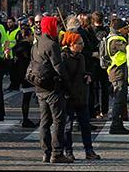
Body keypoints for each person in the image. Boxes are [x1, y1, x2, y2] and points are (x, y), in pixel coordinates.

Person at [29, 16, 73, 163]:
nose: (59, 29)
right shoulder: (51, 44)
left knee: (44, 121)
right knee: (59, 120)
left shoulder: (36, 43)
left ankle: (46, 152)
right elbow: (58, 67)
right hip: (53, 87)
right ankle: (57, 152)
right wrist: (68, 84)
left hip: (40, 86)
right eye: (57, 26)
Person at [61, 32, 100, 161]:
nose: (82, 46)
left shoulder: (81, 57)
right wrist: (68, 91)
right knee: (68, 126)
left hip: (81, 95)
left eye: (82, 43)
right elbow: (63, 77)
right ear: (71, 44)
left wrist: (88, 75)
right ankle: (68, 151)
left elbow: (85, 71)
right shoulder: (63, 57)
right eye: (79, 43)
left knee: (85, 125)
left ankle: (89, 150)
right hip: (68, 96)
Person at [107, 18, 129, 134]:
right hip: (117, 72)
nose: (127, 31)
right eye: (126, 29)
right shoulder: (116, 40)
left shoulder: (113, 37)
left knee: (120, 99)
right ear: (120, 29)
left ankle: (118, 123)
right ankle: (115, 124)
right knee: (118, 100)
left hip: (118, 72)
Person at [14, 26, 36, 128]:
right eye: (32, 35)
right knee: (32, 98)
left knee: (26, 98)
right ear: (27, 36)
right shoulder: (28, 47)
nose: (33, 37)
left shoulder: (17, 46)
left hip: (21, 74)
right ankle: (26, 120)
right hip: (29, 74)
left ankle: (25, 119)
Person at [6, 17, 21, 91]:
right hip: (8, 54)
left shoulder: (17, 31)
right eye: (8, 22)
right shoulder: (8, 31)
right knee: (11, 72)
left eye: (10, 22)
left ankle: (16, 86)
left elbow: (18, 43)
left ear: (14, 22)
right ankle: (12, 85)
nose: (9, 24)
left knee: (15, 72)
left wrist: (16, 54)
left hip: (14, 54)